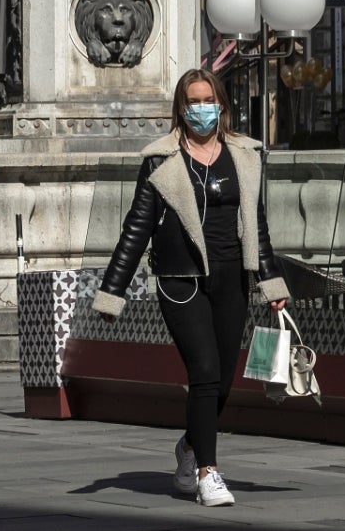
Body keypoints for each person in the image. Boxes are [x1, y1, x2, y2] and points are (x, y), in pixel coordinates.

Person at [92, 68, 288, 507]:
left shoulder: (246, 155)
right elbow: (136, 229)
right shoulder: (161, 160)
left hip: (232, 276)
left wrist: (271, 280)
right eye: (193, 102)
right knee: (203, 371)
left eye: (208, 100)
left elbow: (256, 224)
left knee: (222, 383)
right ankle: (208, 473)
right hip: (181, 281)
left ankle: (188, 446)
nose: (202, 109)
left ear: (221, 104)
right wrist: (113, 292)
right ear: (181, 109)